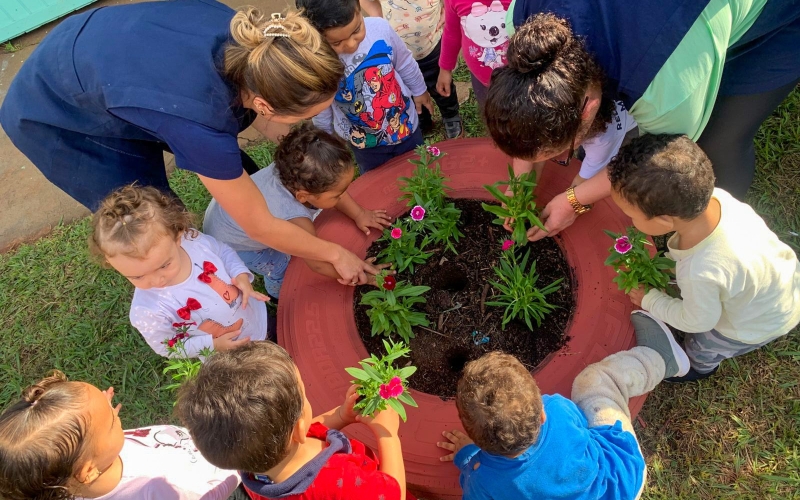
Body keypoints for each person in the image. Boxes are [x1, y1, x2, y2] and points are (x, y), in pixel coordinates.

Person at [0, 0, 380, 286]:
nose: (307, 124)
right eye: (303, 115)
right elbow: (259, 224)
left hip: (106, 56)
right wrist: (333, 252)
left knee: (209, 164)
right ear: (264, 103)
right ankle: (200, 296)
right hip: (57, 111)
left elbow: (264, 127)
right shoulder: (198, 118)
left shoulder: (258, 43)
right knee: (157, 219)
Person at [485, 0, 799, 241]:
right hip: (671, 28)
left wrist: (573, 201)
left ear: (588, 108)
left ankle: (717, 245)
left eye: (560, 153)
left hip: (772, 17)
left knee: (720, 139)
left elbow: (648, 156)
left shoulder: (664, 91)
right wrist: (519, 185)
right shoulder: (524, 22)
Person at [437, 311, 692, 499]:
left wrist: (467, 457)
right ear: (541, 416)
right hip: (623, 482)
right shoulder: (557, 411)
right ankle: (658, 357)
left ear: (477, 439)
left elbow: (477, 478)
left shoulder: (482, 483)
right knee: (593, 382)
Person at [608, 134, 800, 382]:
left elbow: (697, 320)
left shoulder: (702, 271)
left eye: (629, 214)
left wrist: (650, 299)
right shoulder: (718, 199)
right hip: (780, 284)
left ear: (665, 220)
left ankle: (696, 368)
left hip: (753, 323)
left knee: (704, 344)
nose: (628, 220)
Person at [175, 342, 409, 500]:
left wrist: (341, 416)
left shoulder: (255, 469)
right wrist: (387, 434)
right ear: (298, 427)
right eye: (303, 393)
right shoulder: (340, 479)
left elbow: (305, 433)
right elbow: (392, 493)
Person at [204, 124, 392, 298]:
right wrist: (362, 275)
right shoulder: (294, 217)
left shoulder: (295, 170)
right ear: (303, 196)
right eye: (337, 195)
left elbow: (334, 192)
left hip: (226, 212)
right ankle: (279, 291)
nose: (343, 196)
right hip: (236, 244)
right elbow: (317, 262)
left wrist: (359, 214)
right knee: (283, 265)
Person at [90, 185, 270, 358]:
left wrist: (241, 275)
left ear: (178, 236)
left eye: (164, 265)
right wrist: (212, 345)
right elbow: (168, 347)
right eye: (137, 276)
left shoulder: (193, 242)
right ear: (110, 263)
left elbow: (222, 251)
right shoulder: (146, 312)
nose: (157, 280)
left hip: (257, 318)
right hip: (231, 355)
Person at [0, 370, 240, 500]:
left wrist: (102, 418)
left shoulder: (88, 462)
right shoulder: (154, 491)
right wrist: (237, 468)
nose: (112, 407)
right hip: (220, 468)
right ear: (88, 471)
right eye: (111, 421)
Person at [299, 0, 435, 174]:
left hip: (405, 126)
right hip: (364, 143)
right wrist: (325, 135)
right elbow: (321, 104)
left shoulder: (380, 29)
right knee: (376, 180)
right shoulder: (316, 61)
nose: (350, 44)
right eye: (336, 43)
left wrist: (419, 90)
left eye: (356, 30)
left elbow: (404, 63)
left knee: (419, 170)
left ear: (358, 8)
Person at [359, 0, 464, 139]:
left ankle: (450, 115)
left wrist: (448, 9)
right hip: (399, 53)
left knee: (441, 84)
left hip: (431, 45)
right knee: (408, 89)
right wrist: (376, 15)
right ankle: (423, 120)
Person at [437, 0, 513, 110]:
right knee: (489, 111)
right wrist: (445, 69)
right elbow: (452, 33)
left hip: (518, 75)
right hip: (481, 78)